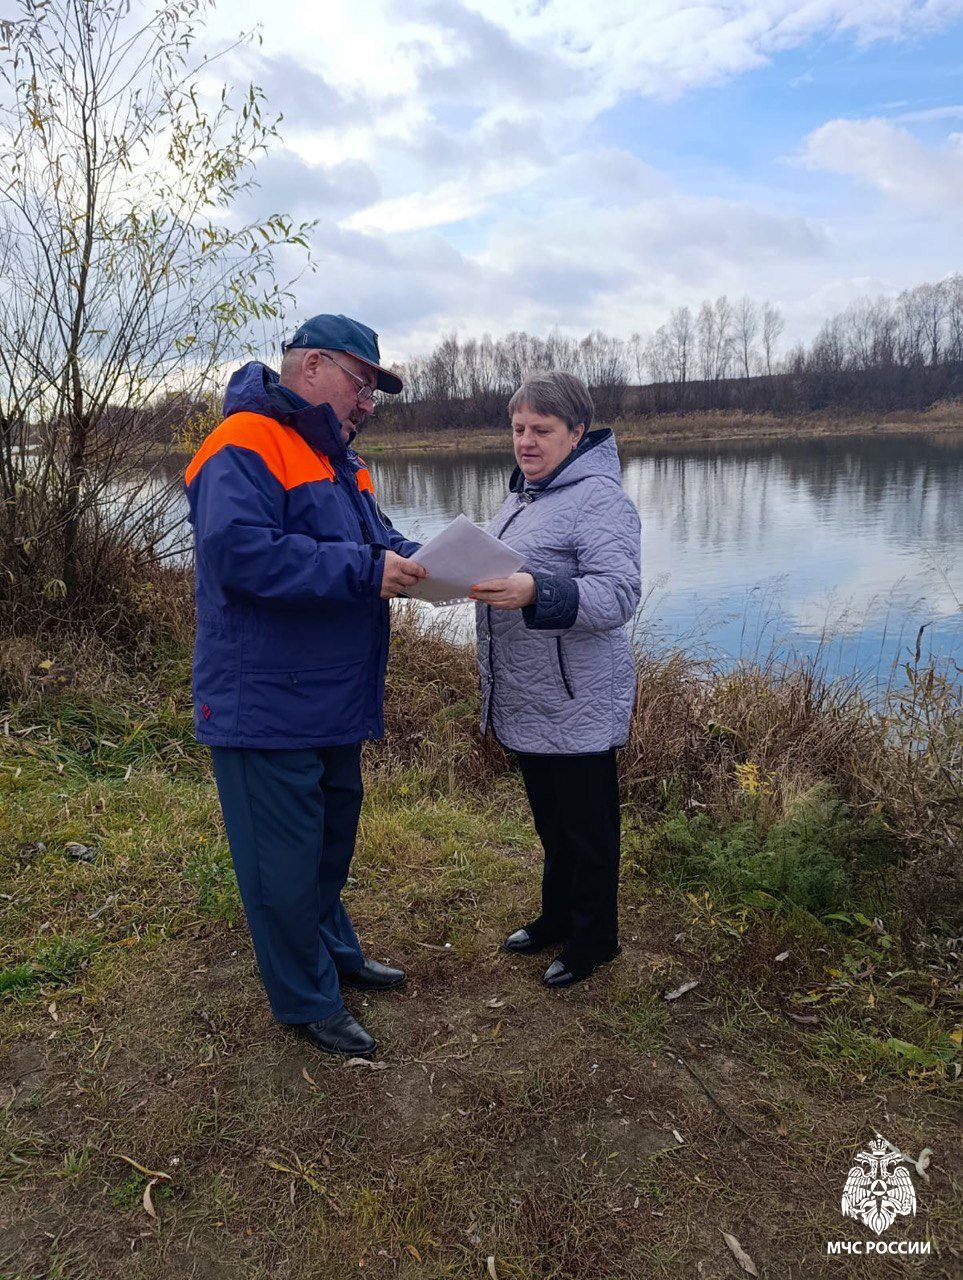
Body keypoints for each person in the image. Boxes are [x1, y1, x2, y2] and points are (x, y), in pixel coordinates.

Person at [185, 314, 427, 1057]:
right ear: (312, 366)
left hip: (327, 696)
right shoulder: (244, 442)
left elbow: (377, 542)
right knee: (281, 867)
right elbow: (241, 558)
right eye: (362, 384)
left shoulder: (337, 459)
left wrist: (439, 564)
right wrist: (367, 573)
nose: (368, 403)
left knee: (327, 846)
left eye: (375, 392)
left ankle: (335, 956)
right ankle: (304, 1001)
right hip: (263, 701)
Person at [472, 371, 642, 988]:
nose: (526, 441)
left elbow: (619, 594)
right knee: (551, 822)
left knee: (588, 830)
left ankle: (596, 939)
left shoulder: (601, 500)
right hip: (530, 696)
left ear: (576, 433)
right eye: (518, 429)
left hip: (578, 701)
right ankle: (556, 917)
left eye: (541, 430)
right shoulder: (522, 497)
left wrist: (535, 591)